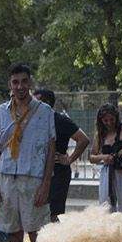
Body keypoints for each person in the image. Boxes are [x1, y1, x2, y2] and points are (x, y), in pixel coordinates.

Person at [0, 64, 56, 242]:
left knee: (38, 235)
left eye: (24, 81)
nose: (20, 86)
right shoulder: (0, 113)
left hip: (33, 179)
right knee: (13, 236)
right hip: (7, 178)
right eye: (15, 82)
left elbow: (50, 149)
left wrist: (46, 183)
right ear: (10, 85)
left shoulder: (44, 111)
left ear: (30, 83)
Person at [35, 88, 88, 221]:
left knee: (52, 213)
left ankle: (54, 240)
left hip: (58, 172)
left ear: (46, 103)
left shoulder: (60, 120)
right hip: (39, 171)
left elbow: (83, 139)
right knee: (39, 211)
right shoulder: (34, 121)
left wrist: (69, 159)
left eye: (36, 101)